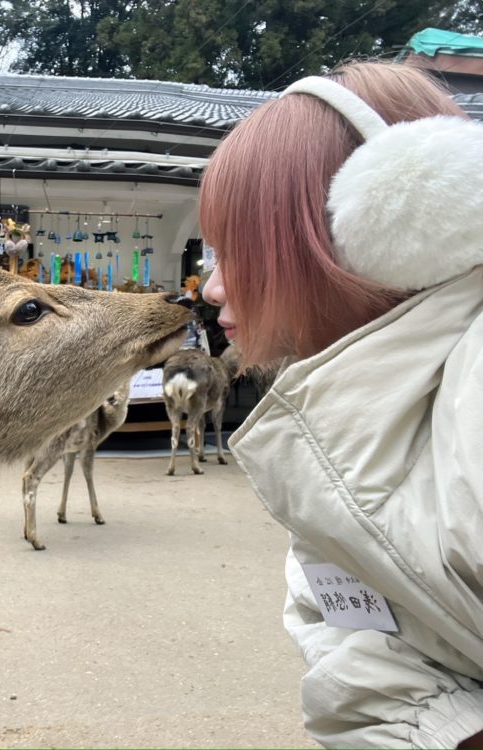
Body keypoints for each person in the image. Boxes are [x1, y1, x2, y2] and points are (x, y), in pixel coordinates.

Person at [200, 60, 483, 748]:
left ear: (392, 220)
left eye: (244, 251)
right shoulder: (323, 425)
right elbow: (344, 641)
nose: (211, 289)